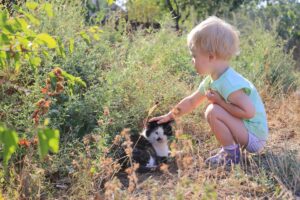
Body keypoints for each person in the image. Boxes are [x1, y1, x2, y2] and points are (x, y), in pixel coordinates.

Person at [149, 16, 268, 167]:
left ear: (211, 56)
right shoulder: (213, 79)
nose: (192, 60)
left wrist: (219, 102)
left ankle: (232, 155)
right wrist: (170, 115)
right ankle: (231, 150)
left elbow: (249, 112)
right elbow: (192, 101)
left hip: (255, 139)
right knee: (214, 110)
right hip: (245, 132)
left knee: (213, 111)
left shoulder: (229, 82)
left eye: (194, 55)